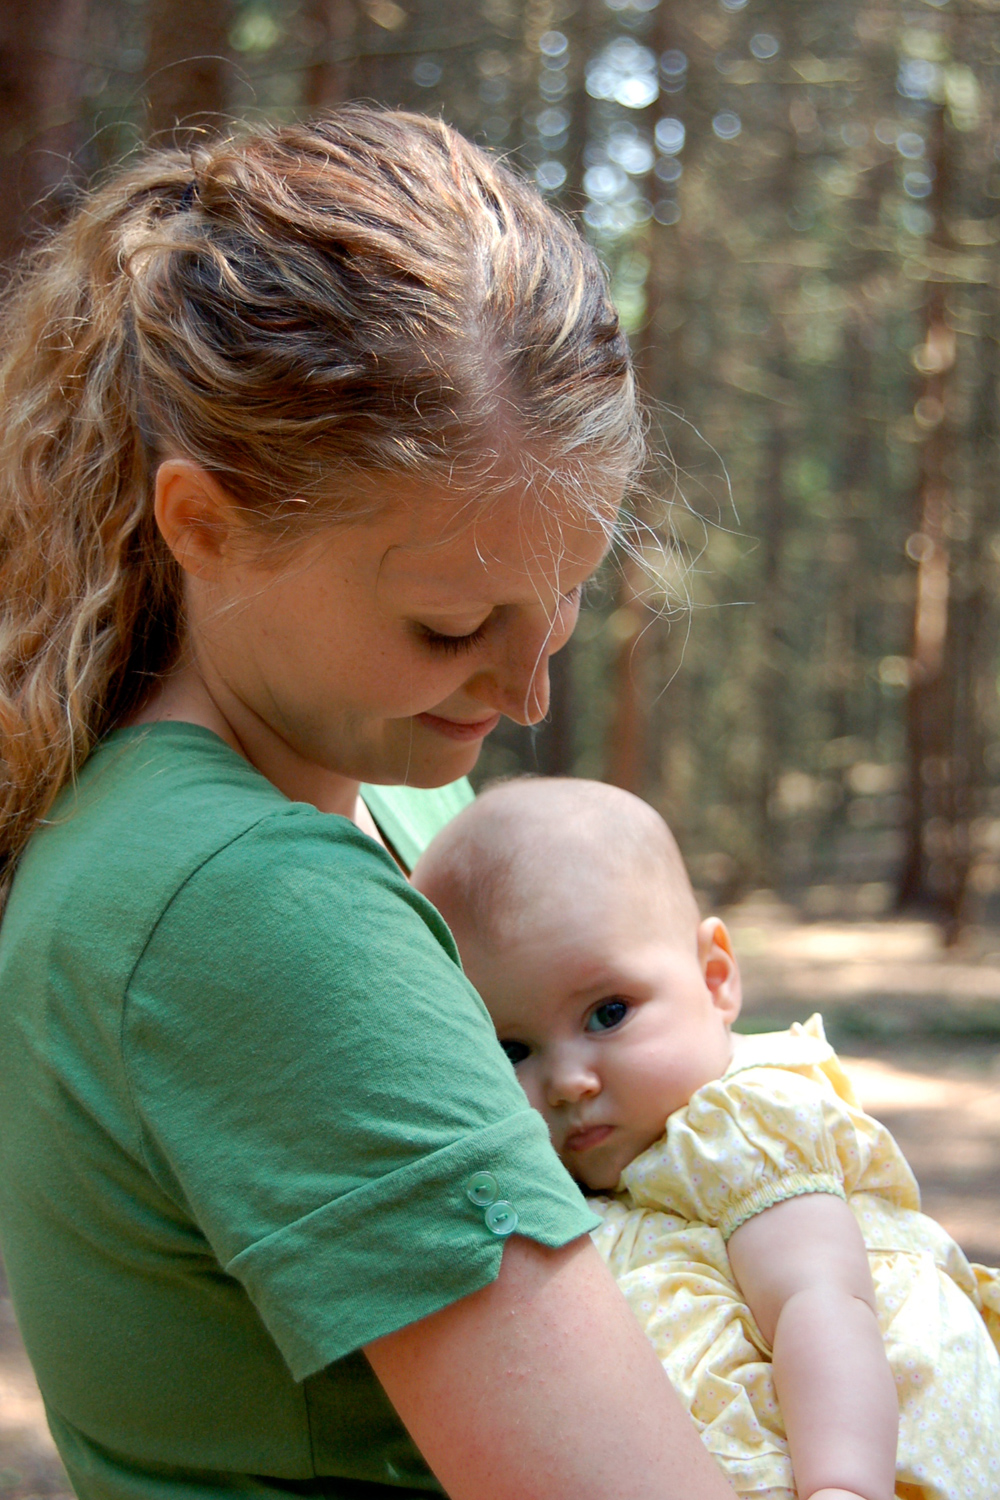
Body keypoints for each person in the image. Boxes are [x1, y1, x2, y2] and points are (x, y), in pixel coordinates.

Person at [0, 110, 740, 1500]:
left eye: (563, 593)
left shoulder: (371, 813)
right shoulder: (246, 901)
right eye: (451, 622)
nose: (525, 690)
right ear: (205, 525)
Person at [411, 777, 1000, 1500]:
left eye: (608, 1013)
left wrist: (844, 1484)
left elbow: (821, 1304)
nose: (567, 1081)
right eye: (511, 1050)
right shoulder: (575, 1168)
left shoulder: (739, 1128)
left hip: (853, 1452)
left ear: (716, 978)